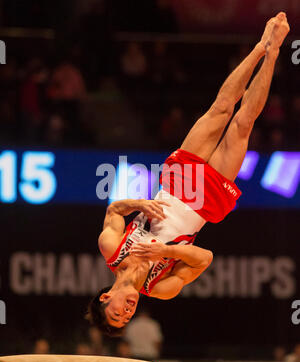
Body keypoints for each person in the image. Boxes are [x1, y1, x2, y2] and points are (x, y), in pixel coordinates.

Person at [86, 13, 290, 336]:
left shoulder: (111, 247)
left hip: (177, 182)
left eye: (117, 314)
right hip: (202, 205)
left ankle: (260, 46)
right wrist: (165, 252)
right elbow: (204, 258)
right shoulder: (160, 287)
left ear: (105, 296)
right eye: (125, 319)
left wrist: (139, 202)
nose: (126, 313)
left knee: (221, 108)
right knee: (242, 125)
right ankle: (275, 51)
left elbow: (112, 210)